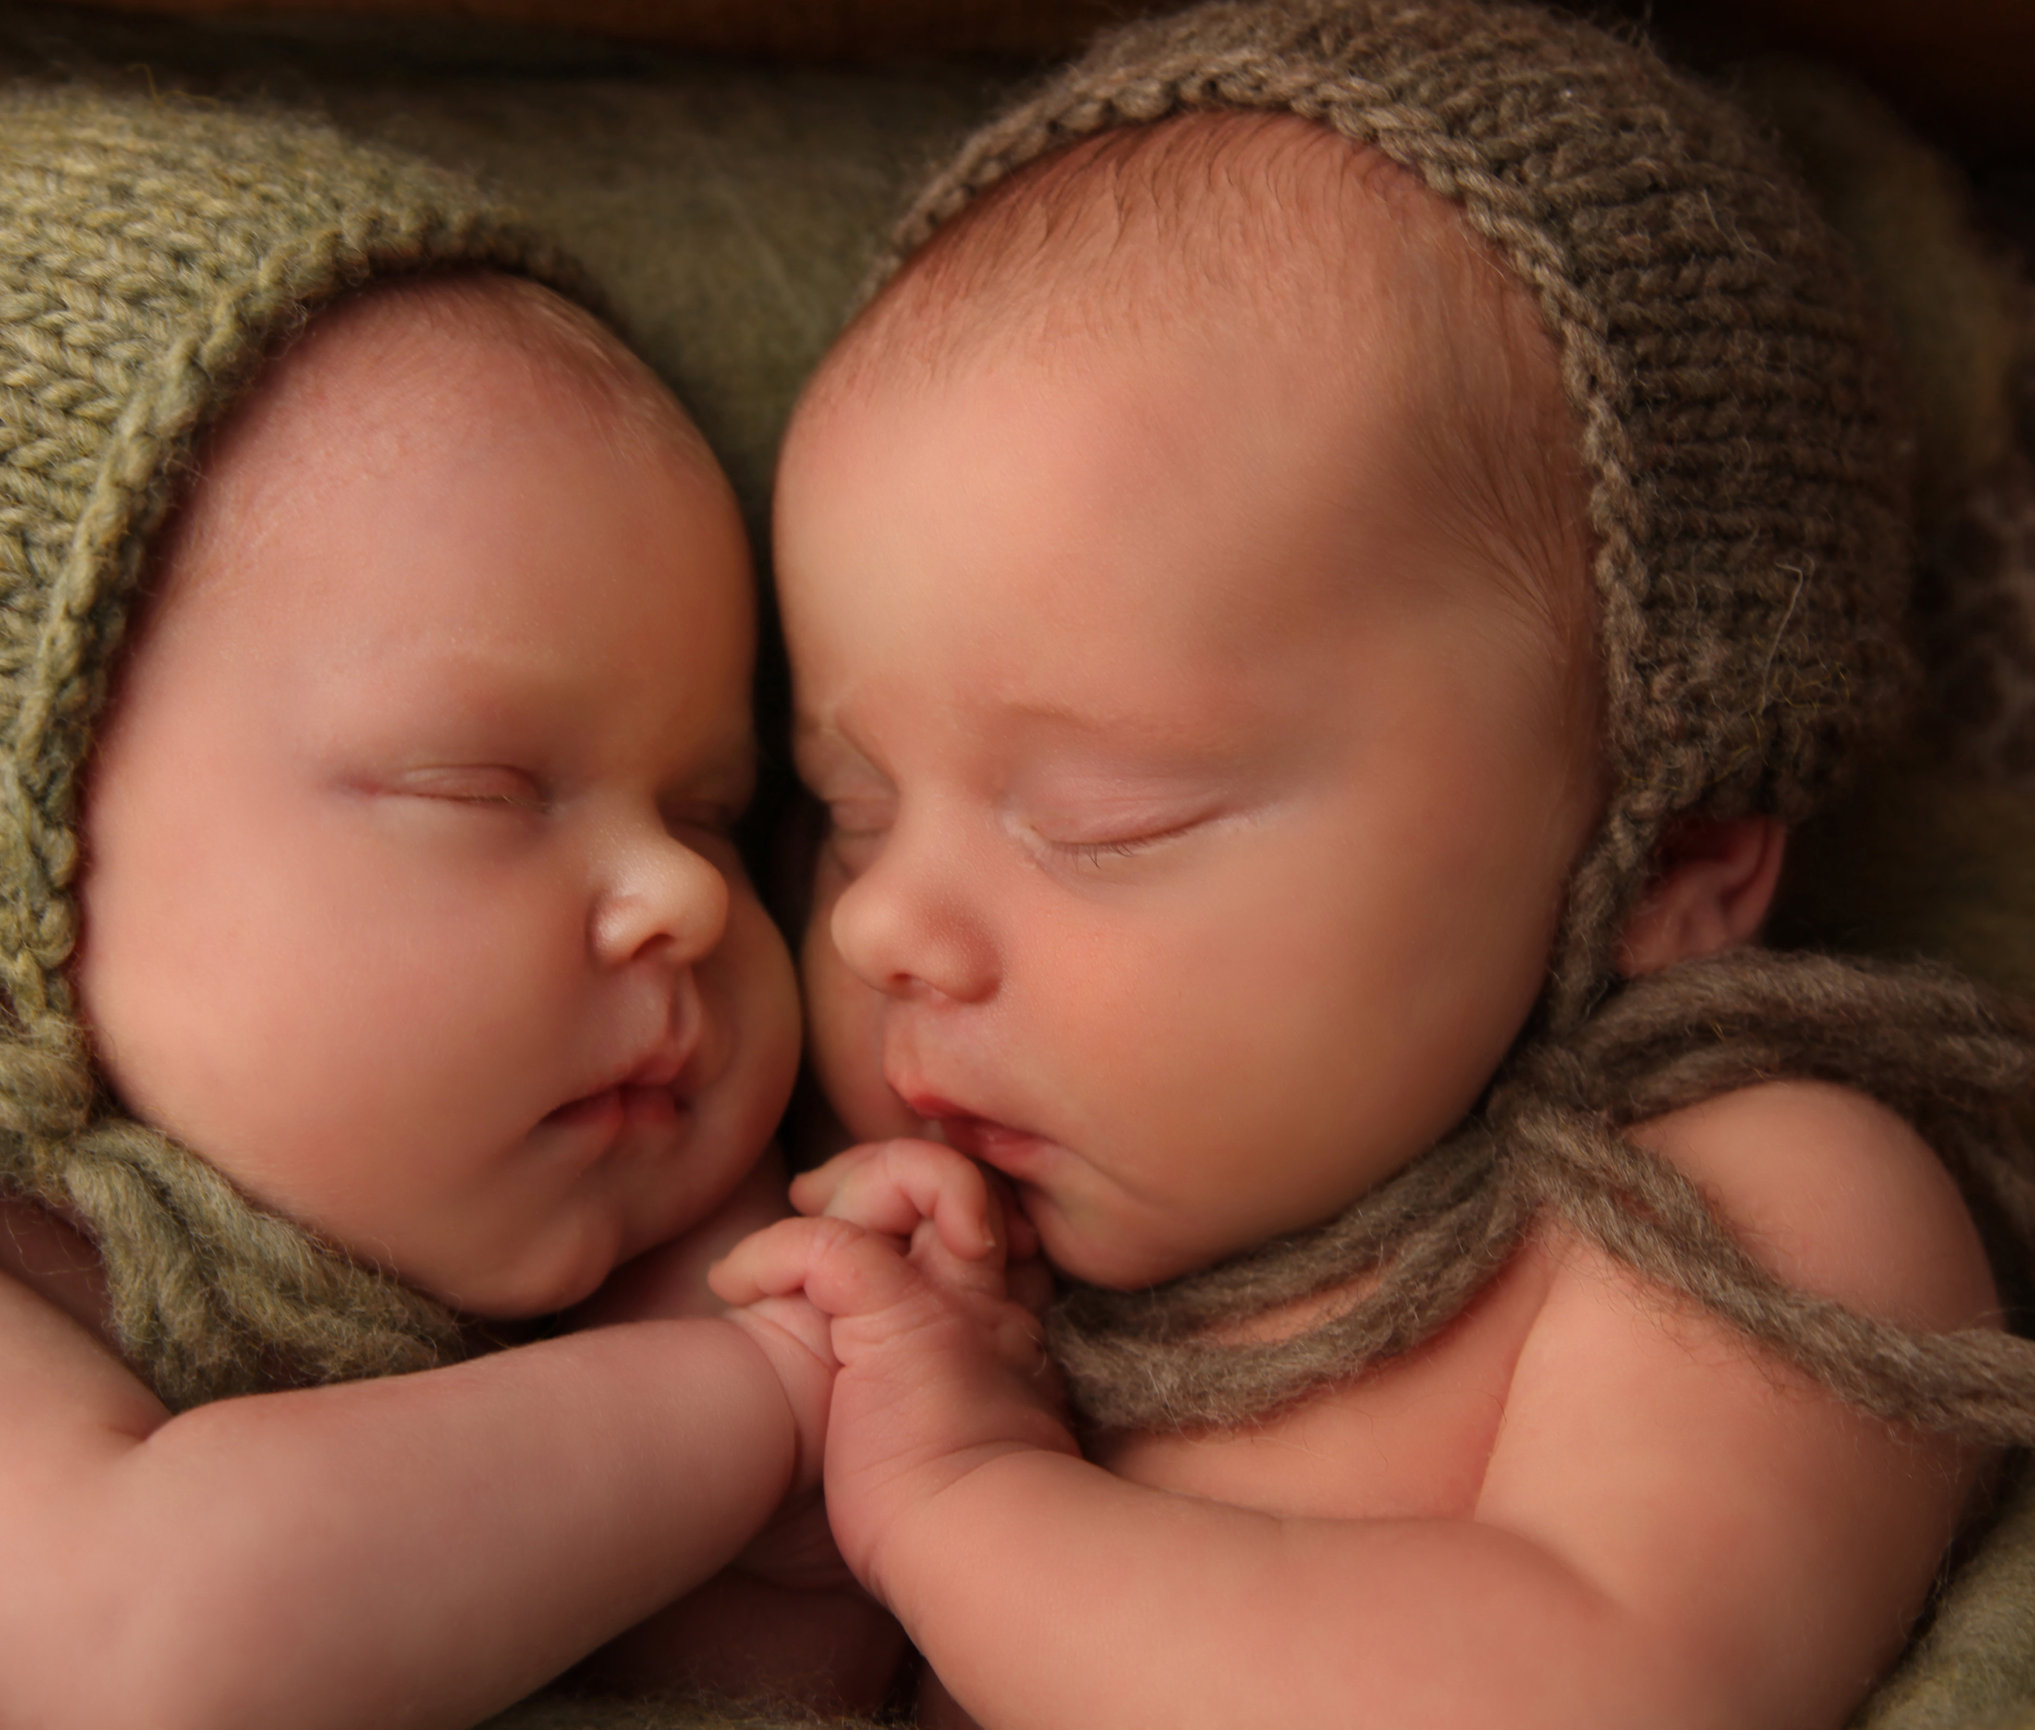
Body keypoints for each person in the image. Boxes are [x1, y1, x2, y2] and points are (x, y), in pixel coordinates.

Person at [0, 91, 886, 1730]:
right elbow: (162, 1651)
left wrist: (827, 1497)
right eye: (483, 788)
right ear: (14, 868)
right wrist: (755, 1394)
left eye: (713, 805)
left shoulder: (480, 1288)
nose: (690, 894)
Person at [717, 2, 2035, 1726]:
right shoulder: (953, 1286)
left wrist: (958, 1507)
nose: (885, 923)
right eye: (854, 811)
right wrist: (806, 1481)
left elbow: (1607, 1686)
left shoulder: (1732, 1206)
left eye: (1111, 816)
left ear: (1668, 858)